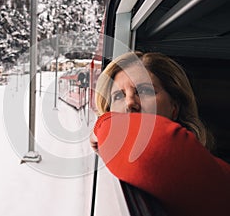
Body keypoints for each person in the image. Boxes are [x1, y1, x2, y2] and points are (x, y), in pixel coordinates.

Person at [90, 51, 230, 216]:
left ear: (174, 108)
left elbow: (152, 148)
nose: (129, 103)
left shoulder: (213, 171)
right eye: (118, 96)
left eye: (145, 91)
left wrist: (102, 124)